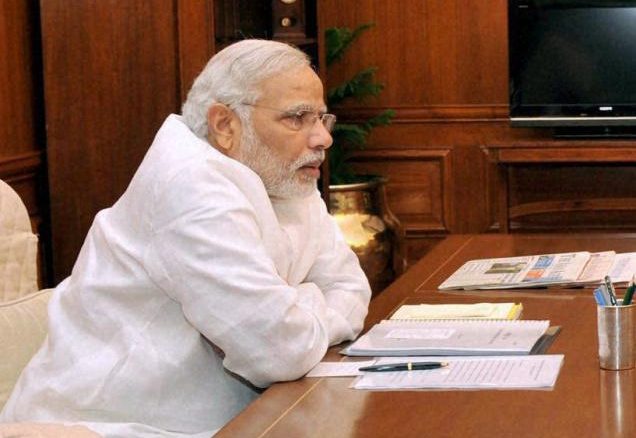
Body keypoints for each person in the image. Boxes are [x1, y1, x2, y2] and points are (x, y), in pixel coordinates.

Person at [1, 39, 371, 437]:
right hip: (108, 425)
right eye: (297, 118)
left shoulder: (283, 173)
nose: (322, 138)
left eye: (321, 118)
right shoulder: (191, 187)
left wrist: (295, 307)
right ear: (225, 125)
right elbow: (280, 350)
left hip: (241, 418)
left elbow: (350, 287)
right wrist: (306, 302)